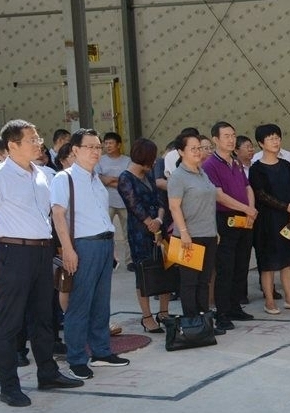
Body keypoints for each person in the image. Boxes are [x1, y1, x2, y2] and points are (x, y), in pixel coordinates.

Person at [0, 120, 84, 407]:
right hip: (12, 251)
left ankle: (48, 373)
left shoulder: (43, 175)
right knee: (10, 322)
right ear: (12, 145)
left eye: (38, 138)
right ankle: (9, 386)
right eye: (32, 140)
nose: (39, 143)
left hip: (41, 252)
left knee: (43, 317)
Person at [51, 129, 130, 381]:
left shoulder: (96, 178)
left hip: (104, 244)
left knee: (100, 303)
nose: (96, 151)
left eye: (98, 147)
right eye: (90, 147)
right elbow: (58, 215)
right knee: (79, 304)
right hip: (83, 246)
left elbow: (100, 215)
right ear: (75, 150)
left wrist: (112, 246)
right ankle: (76, 359)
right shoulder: (64, 178)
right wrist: (68, 249)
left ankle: (101, 352)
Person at [203, 121, 257, 331]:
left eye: (233, 135)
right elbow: (218, 195)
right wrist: (246, 209)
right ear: (215, 139)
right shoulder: (210, 165)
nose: (231, 139)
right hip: (225, 219)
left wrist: (250, 209)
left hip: (245, 218)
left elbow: (247, 187)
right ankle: (223, 313)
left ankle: (235, 306)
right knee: (225, 268)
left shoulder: (236, 162)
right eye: (226, 136)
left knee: (241, 265)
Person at [249, 123, 290, 313]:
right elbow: (261, 195)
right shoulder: (256, 168)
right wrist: (285, 206)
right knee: (268, 263)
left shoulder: (286, 165)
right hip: (267, 220)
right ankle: (270, 301)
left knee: (288, 261)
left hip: (289, 219)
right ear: (261, 143)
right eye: (271, 138)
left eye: (277, 137)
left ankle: (289, 298)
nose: (275, 141)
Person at [167, 133, 221, 332]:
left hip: (208, 234)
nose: (198, 152)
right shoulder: (178, 177)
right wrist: (184, 232)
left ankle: (205, 322)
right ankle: (192, 324)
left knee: (204, 281)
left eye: (199, 148)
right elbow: (174, 207)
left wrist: (214, 230)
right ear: (181, 152)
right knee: (190, 282)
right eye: (193, 148)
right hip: (189, 237)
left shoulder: (202, 173)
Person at [118, 138, 171, 333]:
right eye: (152, 157)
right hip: (140, 233)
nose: (155, 161)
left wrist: (159, 220)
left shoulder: (148, 175)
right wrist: (152, 224)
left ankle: (164, 312)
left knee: (165, 270)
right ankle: (147, 317)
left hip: (158, 227)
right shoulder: (125, 178)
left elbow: (160, 200)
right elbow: (134, 206)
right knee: (144, 274)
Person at [95, 132, 133, 270]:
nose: (108, 146)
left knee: (128, 233)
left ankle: (130, 261)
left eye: (111, 143)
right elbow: (98, 178)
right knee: (105, 233)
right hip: (106, 202)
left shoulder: (127, 160)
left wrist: (108, 179)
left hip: (125, 202)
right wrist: (117, 180)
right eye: (106, 143)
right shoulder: (100, 160)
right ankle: (110, 261)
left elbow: (128, 180)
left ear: (119, 145)